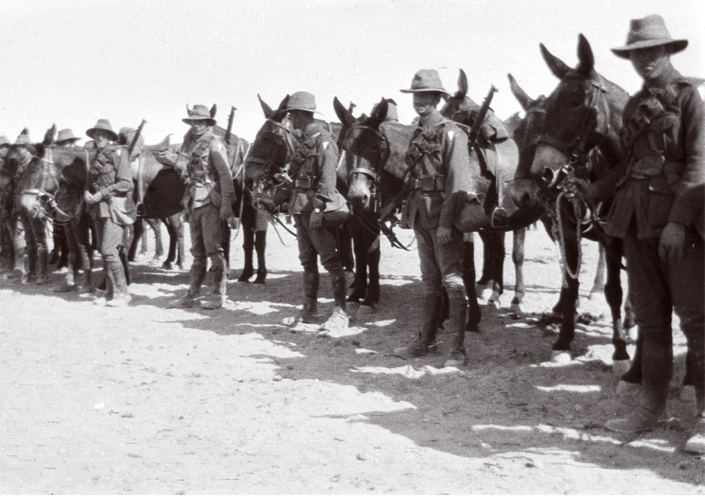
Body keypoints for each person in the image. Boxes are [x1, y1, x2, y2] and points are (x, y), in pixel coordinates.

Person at [571, 15, 704, 454]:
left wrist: (679, 222)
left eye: (651, 51)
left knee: (698, 322)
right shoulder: (632, 106)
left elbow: (700, 164)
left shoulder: (690, 99)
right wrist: (594, 188)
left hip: (676, 227)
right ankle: (650, 407)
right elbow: (626, 168)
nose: (644, 60)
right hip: (634, 222)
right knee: (650, 320)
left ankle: (704, 415)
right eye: (637, 54)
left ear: (667, 52)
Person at [390, 69, 482, 367]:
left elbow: (458, 184)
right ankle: (426, 340)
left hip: (443, 215)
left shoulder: (452, 132)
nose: (420, 101)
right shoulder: (416, 131)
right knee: (430, 282)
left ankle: (457, 350)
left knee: (452, 280)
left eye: (427, 96)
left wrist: (445, 223)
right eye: (417, 96)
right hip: (420, 213)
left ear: (438, 98)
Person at [278, 91, 350, 330]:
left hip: (314, 210)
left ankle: (340, 311)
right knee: (307, 261)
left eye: (291, 115)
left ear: (300, 115)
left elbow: (328, 180)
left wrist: (318, 208)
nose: (289, 120)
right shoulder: (304, 142)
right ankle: (310, 309)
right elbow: (300, 179)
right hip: (300, 209)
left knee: (330, 260)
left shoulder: (325, 140)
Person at [168, 104, 235, 310]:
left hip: (209, 202)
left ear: (207, 124)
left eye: (200, 122)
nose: (196, 126)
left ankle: (218, 294)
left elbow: (225, 176)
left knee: (214, 250)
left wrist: (226, 204)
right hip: (193, 202)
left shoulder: (214, 145)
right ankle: (193, 293)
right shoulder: (190, 145)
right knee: (197, 252)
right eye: (193, 122)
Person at [83, 119, 136, 307]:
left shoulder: (119, 153)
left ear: (110, 137)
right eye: (97, 134)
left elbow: (126, 183)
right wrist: (88, 192)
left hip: (114, 207)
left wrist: (101, 194)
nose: (100, 137)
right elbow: (93, 183)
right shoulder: (95, 156)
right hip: (98, 209)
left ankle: (123, 293)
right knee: (104, 253)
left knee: (108, 250)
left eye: (104, 134)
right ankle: (109, 292)